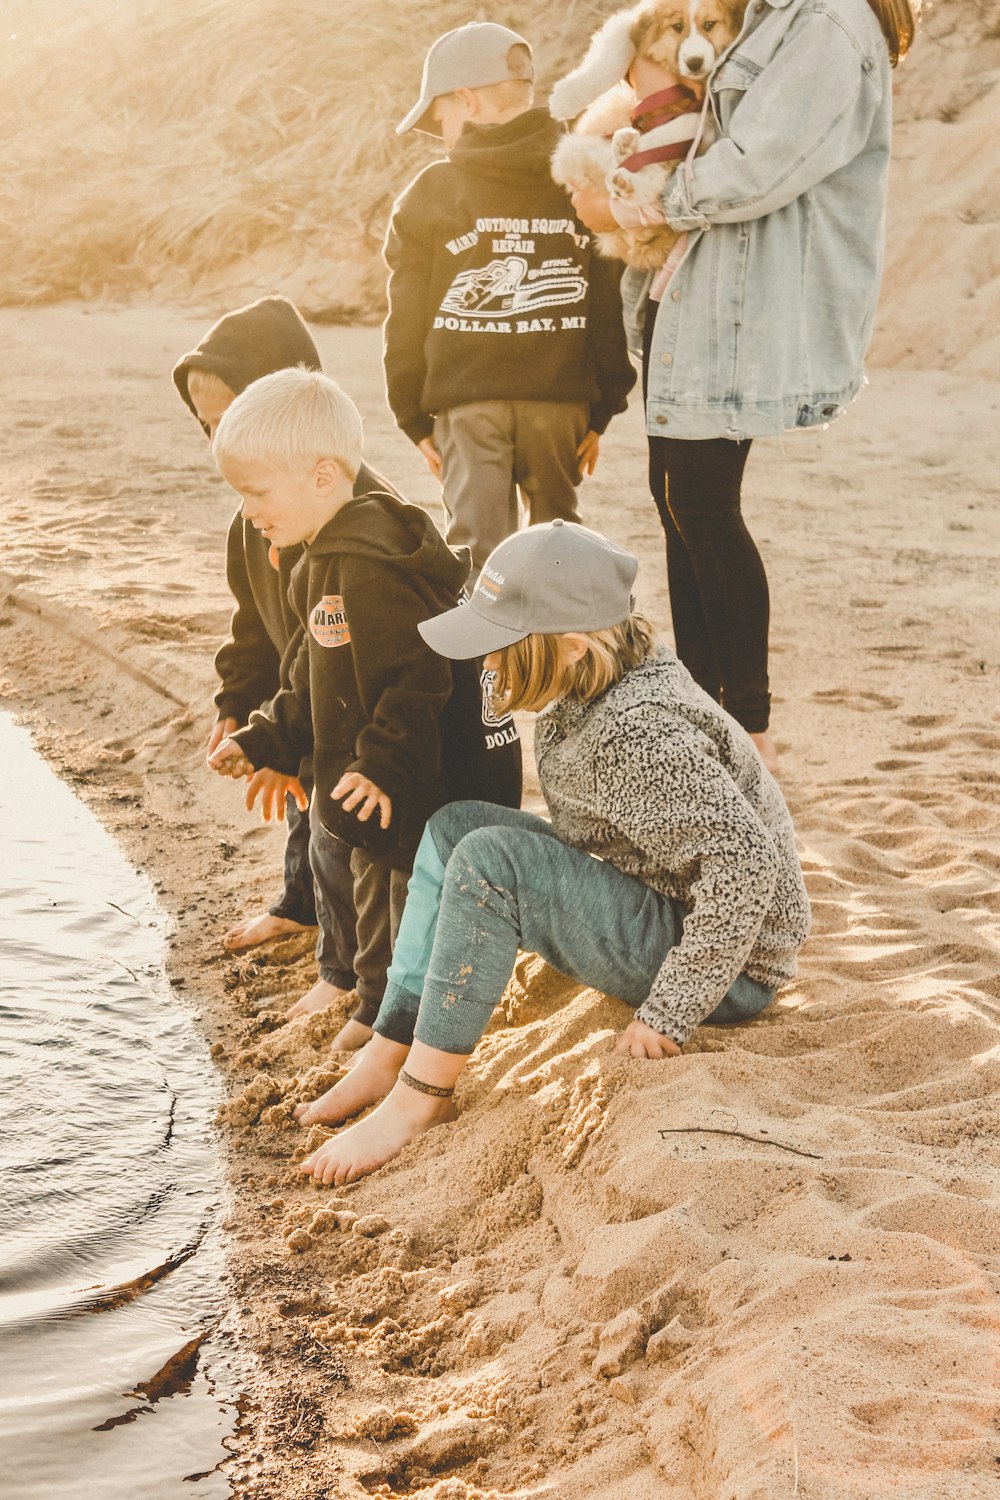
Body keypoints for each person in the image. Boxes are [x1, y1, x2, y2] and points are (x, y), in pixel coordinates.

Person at [294, 520, 811, 1187]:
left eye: (499, 646)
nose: (484, 663)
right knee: (454, 829)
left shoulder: (637, 734)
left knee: (489, 866)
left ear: (569, 646)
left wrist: (670, 1012)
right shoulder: (605, 674)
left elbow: (745, 864)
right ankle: (390, 1047)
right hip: (666, 905)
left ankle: (420, 1100)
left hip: (728, 968)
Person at [569, 0, 921, 774]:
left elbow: (762, 161)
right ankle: (704, 713)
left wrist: (633, 202)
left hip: (741, 307)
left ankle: (745, 730)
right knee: (675, 500)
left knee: (701, 503)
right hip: (690, 292)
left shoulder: (827, 23)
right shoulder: (759, 14)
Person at [207, 369, 522, 1053]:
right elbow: (312, 680)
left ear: (323, 477)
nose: (249, 510)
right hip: (373, 769)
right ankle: (375, 1004)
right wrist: (264, 740)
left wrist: (380, 767)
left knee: (395, 891)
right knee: (366, 875)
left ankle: (396, 1018)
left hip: (416, 769)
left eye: (257, 492)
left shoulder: (371, 566)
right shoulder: (318, 558)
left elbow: (417, 676)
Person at [174, 298, 404, 1026]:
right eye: (208, 426)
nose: (218, 438)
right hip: (299, 693)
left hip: (347, 704)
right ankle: (300, 908)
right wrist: (237, 710)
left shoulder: (339, 520)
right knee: (306, 813)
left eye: (230, 417)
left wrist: (282, 737)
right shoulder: (257, 519)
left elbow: (331, 652)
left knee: (336, 824)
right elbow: (255, 628)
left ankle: (345, 973)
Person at [383, 21, 636, 575]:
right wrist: (602, 407)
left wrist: (412, 414)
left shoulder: (431, 192)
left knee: (478, 550)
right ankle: (557, 658)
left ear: (466, 100)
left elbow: (407, 312)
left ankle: (486, 663)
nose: (441, 133)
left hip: (467, 404)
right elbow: (605, 298)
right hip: (561, 402)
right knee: (557, 540)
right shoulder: (578, 176)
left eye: (440, 117)